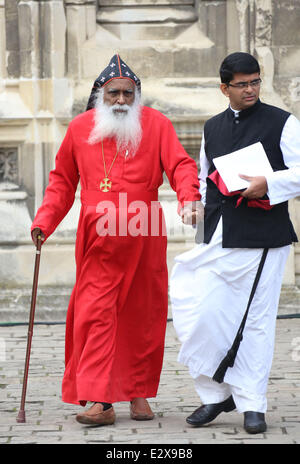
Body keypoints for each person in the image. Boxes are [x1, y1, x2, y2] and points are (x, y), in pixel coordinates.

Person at [31, 54, 202, 426]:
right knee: (94, 315)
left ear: (137, 96)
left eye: (128, 93)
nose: (121, 100)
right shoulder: (79, 129)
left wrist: (189, 199)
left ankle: (138, 393)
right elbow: (62, 181)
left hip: (144, 236)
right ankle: (100, 400)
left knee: (142, 316)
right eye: (114, 94)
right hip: (98, 239)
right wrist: (45, 221)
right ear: (100, 96)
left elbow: (181, 166)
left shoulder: (156, 125)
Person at [170, 52, 300, 434]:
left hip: (263, 238)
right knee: (199, 313)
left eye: (255, 81)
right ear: (224, 87)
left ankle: (252, 404)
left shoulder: (283, 122)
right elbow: (203, 178)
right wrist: (194, 209)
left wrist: (270, 185)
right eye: (242, 84)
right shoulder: (212, 127)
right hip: (218, 236)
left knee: (256, 324)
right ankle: (216, 393)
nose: (250, 89)